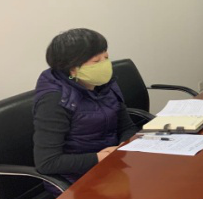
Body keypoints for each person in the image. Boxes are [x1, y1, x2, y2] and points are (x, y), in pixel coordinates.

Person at [34, 28, 138, 190]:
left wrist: (121, 147)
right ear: (72, 68)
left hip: (112, 167)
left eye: (106, 58)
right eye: (96, 61)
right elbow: (47, 162)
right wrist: (99, 158)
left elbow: (128, 127)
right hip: (74, 182)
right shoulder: (55, 100)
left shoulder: (104, 84)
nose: (105, 65)